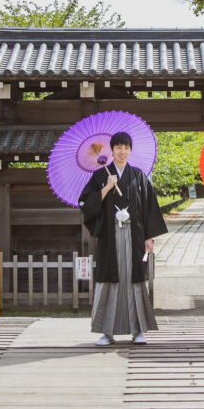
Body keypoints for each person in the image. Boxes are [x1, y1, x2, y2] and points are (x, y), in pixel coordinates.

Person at [78, 131, 168, 345]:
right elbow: (85, 203)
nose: (122, 151)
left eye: (126, 147)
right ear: (112, 150)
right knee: (110, 279)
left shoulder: (138, 176)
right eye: (118, 147)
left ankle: (137, 330)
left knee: (134, 279)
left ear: (130, 150)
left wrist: (149, 236)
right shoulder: (101, 175)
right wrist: (107, 188)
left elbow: (148, 207)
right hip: (111, 237)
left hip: (134, 236)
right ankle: (107, 332)